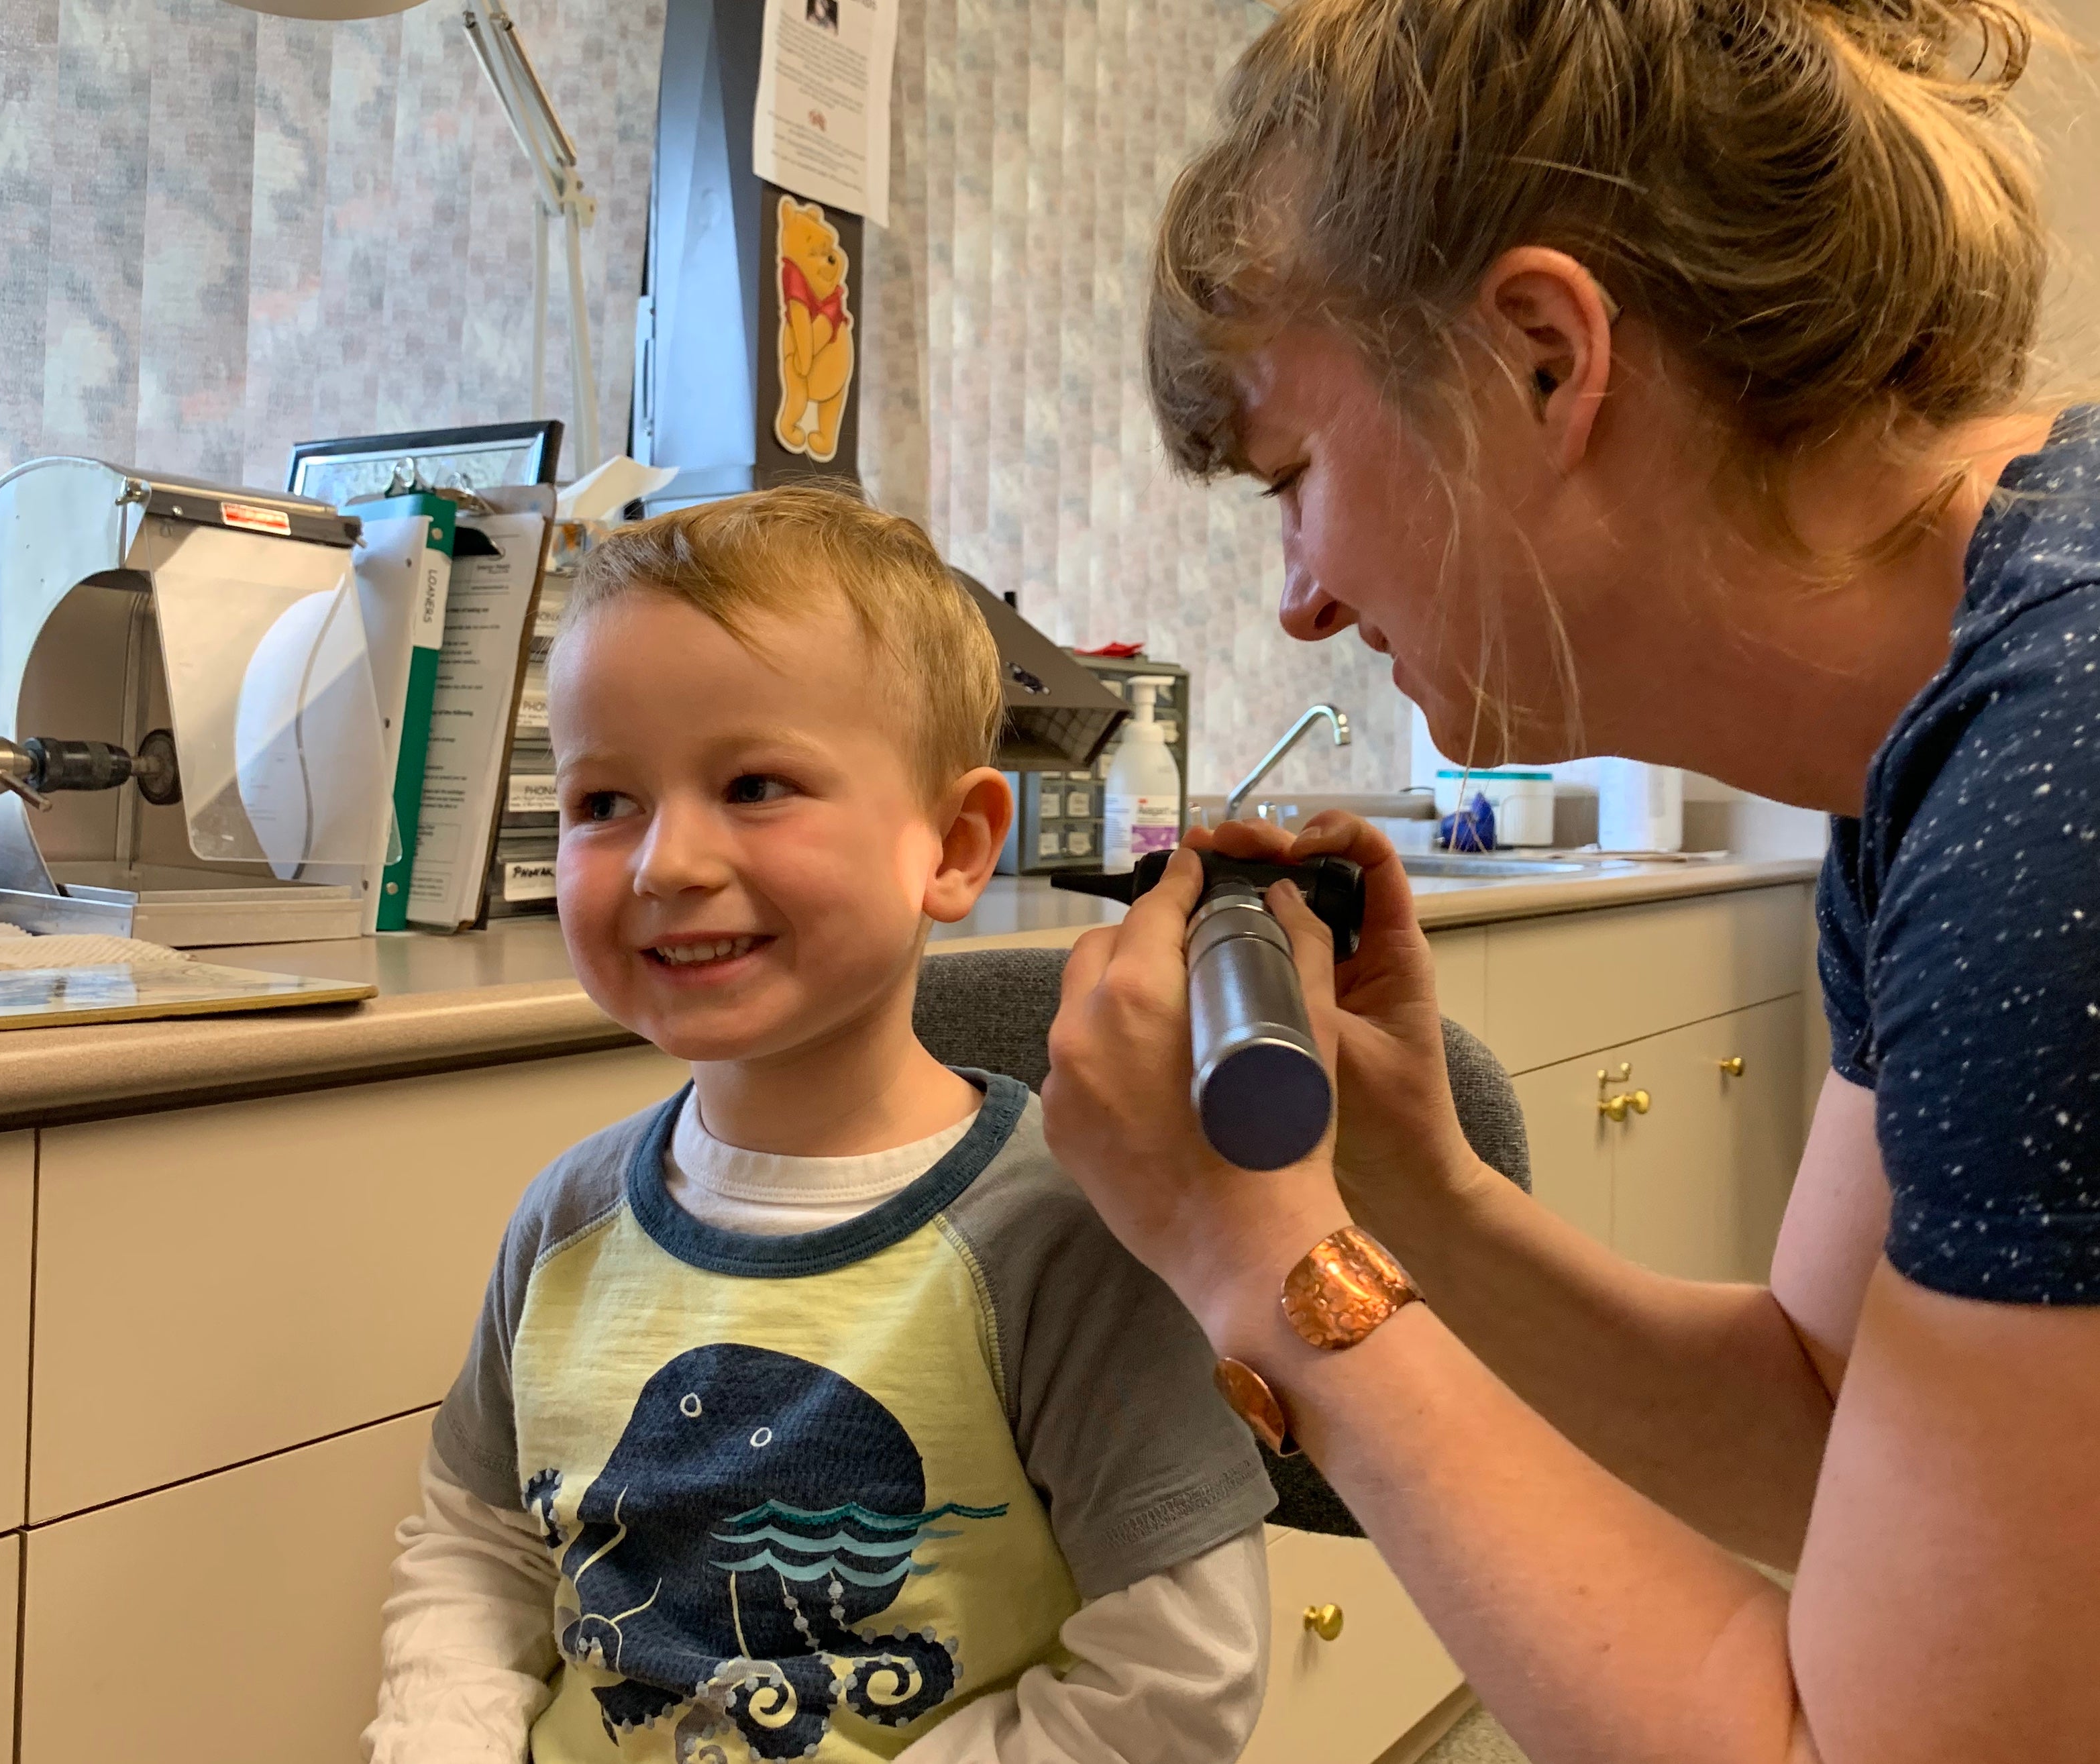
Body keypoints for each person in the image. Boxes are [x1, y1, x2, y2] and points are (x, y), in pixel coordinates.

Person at [1038, 0, 2100, 1759]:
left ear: (1541, 354)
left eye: (1294, 477)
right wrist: (1410, 1190)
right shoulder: (1944, 737)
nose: (1294, 596)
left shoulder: (2055, 778)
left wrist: (1278, 1267)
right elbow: (1832, 1421)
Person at [363, 486, 1276, 1764]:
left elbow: (1172, 1684)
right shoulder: (562, 1222)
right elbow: (481, 1543)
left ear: (953, 846)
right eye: (602, 803)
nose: (664, 863)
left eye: (754, 784)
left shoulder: (1064, 1242)